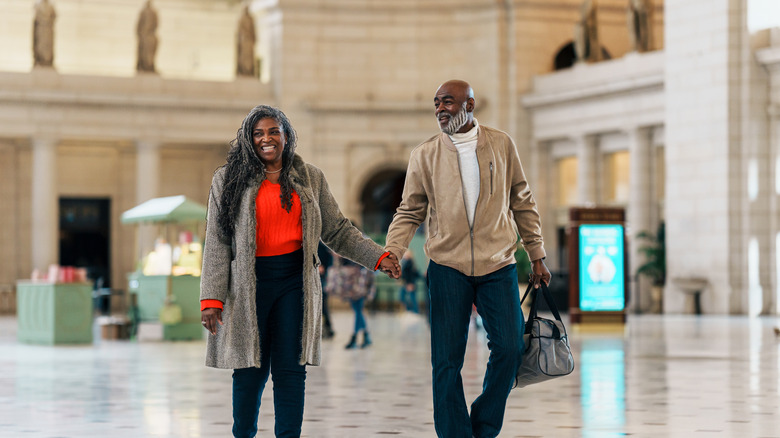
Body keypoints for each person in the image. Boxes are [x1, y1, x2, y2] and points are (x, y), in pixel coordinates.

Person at [199, 104, 400, 438]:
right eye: (258, 133)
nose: (267, 139)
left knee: (292, 370)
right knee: (249, 370)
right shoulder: (228, 179)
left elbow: (337, 230)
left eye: (274, 131)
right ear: (249, 139)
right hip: (249, 285)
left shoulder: (310, 178)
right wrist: (211, 299)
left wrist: (377, 257)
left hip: (296, 282)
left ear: (287, 135)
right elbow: (218, 241)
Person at [384, 80, 551, 438]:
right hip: (447, 267)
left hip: (499, 265)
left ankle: (484, 427)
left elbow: (522, 200)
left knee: (508, 348)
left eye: (448, 101)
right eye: (436, 103)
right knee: (446, 361)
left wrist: (536, 253)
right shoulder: (424, 155)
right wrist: (393, 250)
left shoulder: (502, 144)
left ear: (470, 105)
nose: (441, 109)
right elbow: (409, 211)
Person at [326, 253, 375, 349]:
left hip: (359, 282)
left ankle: (355, 338)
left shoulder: (361, 243)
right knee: (358, 310)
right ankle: (366, 336)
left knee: (358, 311)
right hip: (351, 283)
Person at [317, 241, 335, 339]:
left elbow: (330, 260)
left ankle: (328, 329)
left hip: (321, 279)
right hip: (318, 278)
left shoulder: (321, 245)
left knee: (323, 306)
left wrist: (322, 267)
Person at [136, 0, 158, 72]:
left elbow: (156, 23)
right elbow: (139, 25)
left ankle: (149, 66)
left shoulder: (154, 12)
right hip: (143, 35)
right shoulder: (143, 12)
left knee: (151, 51)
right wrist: (141, 33)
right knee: (143, 51)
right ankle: (143, 66)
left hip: (149, 35)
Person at [33, 0, 56, 67]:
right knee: (40, 45)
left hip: (48, 30)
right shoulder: (38, 5)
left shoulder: (51, 6)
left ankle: (47, 60)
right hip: (41, 30)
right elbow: (36, 19)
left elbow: (54, 16)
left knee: (47, 45)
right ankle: (40, 59)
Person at [236, 5, 256, 77]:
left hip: (249, 42)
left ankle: (249, 71)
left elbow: (253, 31)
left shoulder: (251, 19)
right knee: (243, 58)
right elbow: (239, 32)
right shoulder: (241, 19)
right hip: (244, 40)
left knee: (249, 58)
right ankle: (243, 71)